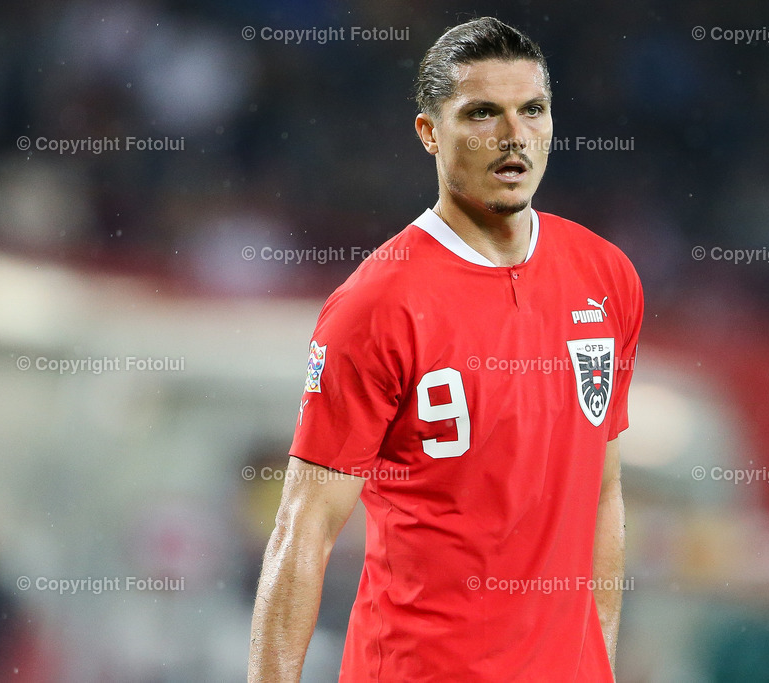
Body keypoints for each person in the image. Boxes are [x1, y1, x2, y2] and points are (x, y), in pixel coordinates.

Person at [249, 16, 643, 682]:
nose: (514, 135)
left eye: (532, 110)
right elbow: (304, 527)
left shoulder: (606, 278)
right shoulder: (375, 306)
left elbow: (602, 495)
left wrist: (593, 663)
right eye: (482, 113)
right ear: (430, 132)